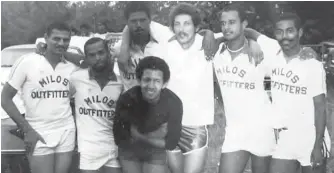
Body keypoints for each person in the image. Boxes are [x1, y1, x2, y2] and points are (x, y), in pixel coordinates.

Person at [249, 12, 327, 173]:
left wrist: (318, 145)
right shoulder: (272, 50)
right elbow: (247, 31)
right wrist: (252, 43)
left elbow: (320, 108)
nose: (284, 36)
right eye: (279, 31)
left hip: (311, 136)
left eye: (290, 31)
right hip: (285, 138)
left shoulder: (312, 64)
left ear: (300, 32)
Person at [1, 22, 77, 173]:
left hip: (66, 130)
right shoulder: (27, 62)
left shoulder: (72, 67)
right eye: (56, 38)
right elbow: (5, 99)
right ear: (45, 38)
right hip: (38, 130)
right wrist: (27, 130)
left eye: (65, 40)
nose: (61, 43)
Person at [212, 3, 275, 173]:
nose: (226, 27)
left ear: (244, 24)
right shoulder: (217, 53)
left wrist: (253, 40)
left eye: (232, 22)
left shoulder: (261, 52)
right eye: (223, 23)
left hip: (262, 130)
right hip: (235, 131)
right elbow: (207, 35)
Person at [113, 56, 183, 173]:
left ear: (164, 84)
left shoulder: (173, 102)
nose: (151, 86)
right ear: (139, 80)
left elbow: (171, 143)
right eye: (147, 79)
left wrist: (139, 136)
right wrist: (156, 136)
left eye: (156, 81)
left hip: (155, 151)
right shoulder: (127, 99)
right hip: (130, 150)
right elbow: (120, 139)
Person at [70, 37, 123, 173]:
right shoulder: (76, 78)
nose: (97, 58)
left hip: (113, 148)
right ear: (86, 58)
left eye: (101, 53)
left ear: (108, 53)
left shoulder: (120, 83)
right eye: (92, 55)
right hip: (88, 150)